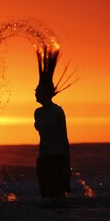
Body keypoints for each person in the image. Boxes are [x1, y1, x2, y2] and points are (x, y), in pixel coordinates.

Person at [34, 46, 71, 208]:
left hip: (56, 156)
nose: (35, 92)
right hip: (43, 156)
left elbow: (63, 138)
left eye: (37, 90)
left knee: (57, 194)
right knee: (45, 194)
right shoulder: (37, 112)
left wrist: (66, 165)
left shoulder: (57, 111)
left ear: (45, 92)